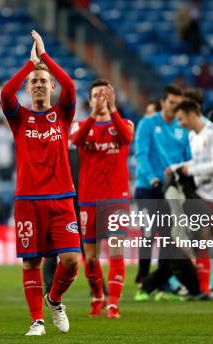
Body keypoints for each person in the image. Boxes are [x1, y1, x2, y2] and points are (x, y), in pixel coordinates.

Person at [0, 31, 80, 336]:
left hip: (61, 199)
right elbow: (6, 95)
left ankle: (54, 299)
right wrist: (28, 66)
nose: (38, 84)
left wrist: (45, 59)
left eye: (43, 81)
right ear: (28, 88)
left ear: (52, 87)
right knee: (31, 263)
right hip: (28, 200)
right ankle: (37, 320)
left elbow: (71, 86)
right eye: (33, 82)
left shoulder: (63, 114)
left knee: (72, 261)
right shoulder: (19, 118)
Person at [71, 79, 134, 318]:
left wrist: (113, 110)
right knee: (90, 257)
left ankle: (113, 304)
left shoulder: (125, 124)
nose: (101, 98)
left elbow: (127, 139)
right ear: (90, 100)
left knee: (116, 251)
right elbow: (75, 142)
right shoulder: (80, 127)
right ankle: (98, 296)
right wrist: (93, 116)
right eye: (97, 94)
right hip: (88, 200)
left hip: (117, 199)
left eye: (106, 94)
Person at [133, 84, 192, 301]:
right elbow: (141, 154)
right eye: (172, 103)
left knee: (168, 239)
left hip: (171, 190)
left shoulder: (182, 128)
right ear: (163, 102)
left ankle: (159, 284)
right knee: (148, 235)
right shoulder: (148, 124)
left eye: (179, 104)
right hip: (148, 188)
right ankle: (143, 279)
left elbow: (187, 156)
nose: (175, 107)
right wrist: (153, 178)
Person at [171, 99, 213, 299]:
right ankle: (204, 289)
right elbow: (198, 162)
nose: (180, 123)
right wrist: (177, 167)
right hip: (201, 196)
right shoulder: (192, 137)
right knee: (201, 239)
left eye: (181, 119)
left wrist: (192, 170)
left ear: (191, 114)